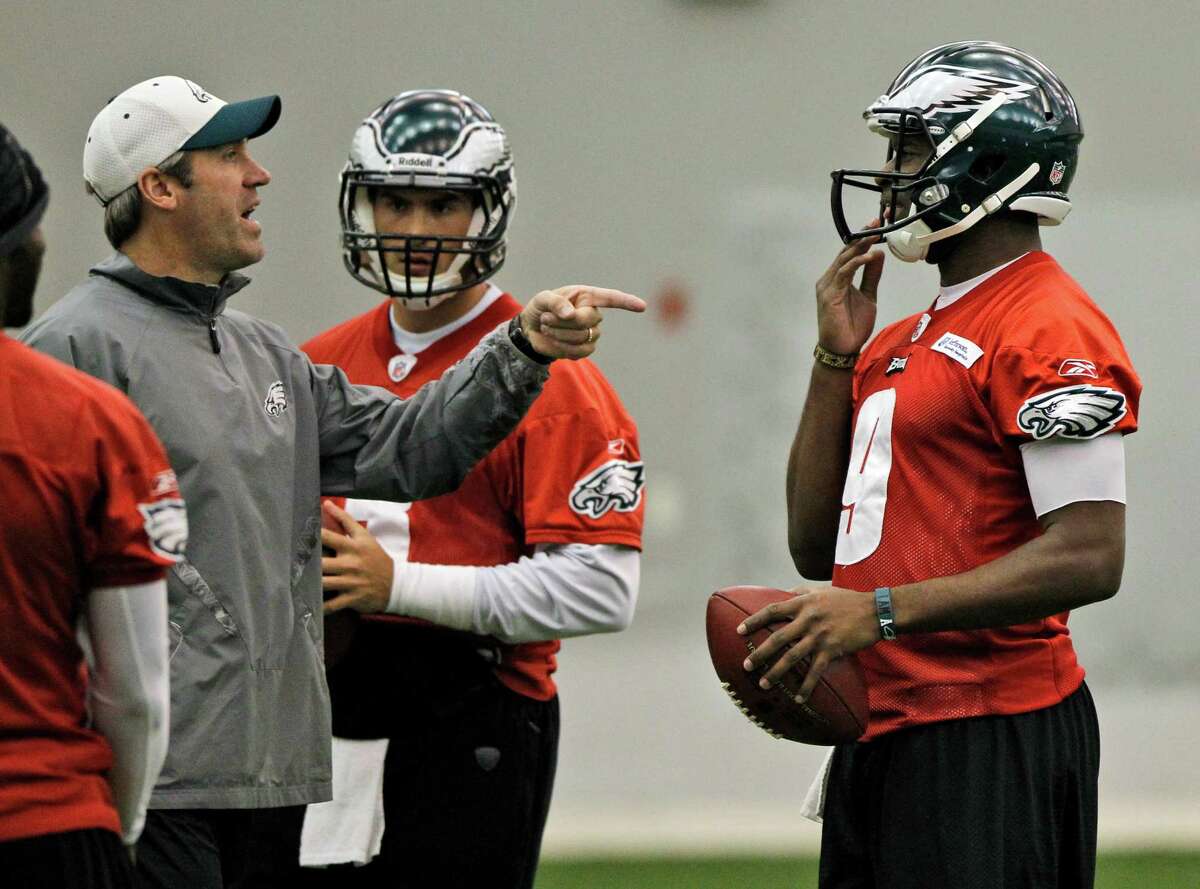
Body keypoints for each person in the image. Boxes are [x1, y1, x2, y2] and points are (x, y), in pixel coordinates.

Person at [20, 76, 644, 889]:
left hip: (279, 775)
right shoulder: (70, 351)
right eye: (231, 155)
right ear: (160, 186)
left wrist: (522, 347)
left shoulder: (270, 355)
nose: (261, 175)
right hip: (156, 783)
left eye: (442, 204)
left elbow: (412, 447)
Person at [739, 43, 1140, 888]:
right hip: (886, 729)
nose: (892, 174)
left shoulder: (1049, 324)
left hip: (990, 733)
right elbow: (816, 549)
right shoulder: (897, 338)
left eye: (912, 150)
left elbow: (1091, 555)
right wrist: (832, 358)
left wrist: (879, 614)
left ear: (986, 160)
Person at [294, 90, 645, 889]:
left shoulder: (554, 376)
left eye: (444, 203)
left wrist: (401, 586)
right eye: (394, 199)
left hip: (472, 717)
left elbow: (602, 589)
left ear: (488, 210)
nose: (415, 227)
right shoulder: (314, 360)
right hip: (326, 712)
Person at [0, 122, 177, 887]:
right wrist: (126, 822)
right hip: (43, 819)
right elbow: (134, 688)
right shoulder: (85, 421)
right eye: (32, 225)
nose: (43, 245)